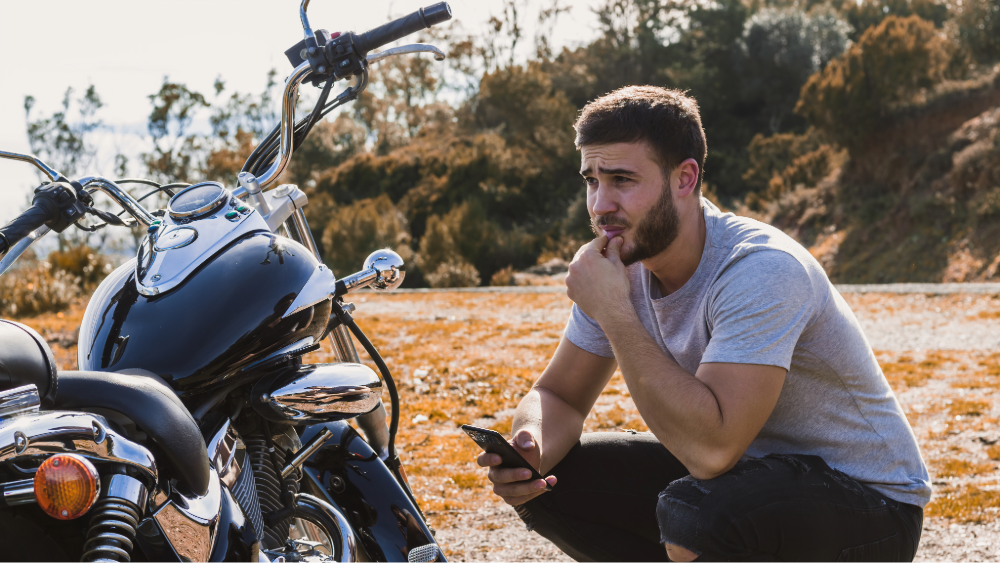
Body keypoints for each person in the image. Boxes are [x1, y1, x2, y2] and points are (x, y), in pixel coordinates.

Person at [476, 86, 930, 562]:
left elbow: (712, 451)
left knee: (697, 512)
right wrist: (531, 445)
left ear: (685, 178)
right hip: (749, 478)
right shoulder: (621, 265)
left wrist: (614, 312)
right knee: (558, 485)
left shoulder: (760, 268)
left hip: (871, 508)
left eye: (622, 180)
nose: (599, 205)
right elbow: (559, 398)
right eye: (592, 180)